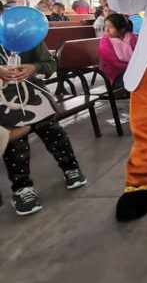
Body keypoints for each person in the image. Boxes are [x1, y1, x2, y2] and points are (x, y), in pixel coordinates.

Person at [1, 41, 87, 215]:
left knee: (51, 130)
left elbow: (50, 64)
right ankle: (22, 188)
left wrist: (34, 68)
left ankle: (70, 166)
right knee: (15, 142)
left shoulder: (25, 34)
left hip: (32, 92)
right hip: (3, 99)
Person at [98, 13, 138, 89]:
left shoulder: (131, 37)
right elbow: (114, 64)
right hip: (114, 75)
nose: (106, 30)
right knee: (142, 81)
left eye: (111, 27)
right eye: (105, 26)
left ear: (122, 29)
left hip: (130, 71)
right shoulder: (105, 41)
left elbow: (139, 54)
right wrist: (133, 68)